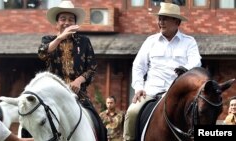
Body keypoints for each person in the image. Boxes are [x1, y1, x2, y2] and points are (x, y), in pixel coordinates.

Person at [123, 2, 202, 141]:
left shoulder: (189, 42)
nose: (160, 22)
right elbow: (138, 66)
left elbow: (196, 63)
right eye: (159, 18)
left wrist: (186, 71)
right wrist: (139, 88)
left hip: (178, 94)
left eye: (165, 18)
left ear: (177, 21)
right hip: (151, 92)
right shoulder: (150, 41)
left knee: (200, 113)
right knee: (132, 112)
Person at [38, 1, 106, 141]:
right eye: (63, 19)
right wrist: (60, 37)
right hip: (53, 96)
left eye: (71, 19)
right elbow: (42, 53)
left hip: (79, 96)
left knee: (100, 126)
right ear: (57, 23)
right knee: (33, 123)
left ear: (75, 23)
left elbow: (92, 67)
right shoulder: (48, 40)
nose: (67, 23)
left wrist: (79, 80)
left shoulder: (84, 41)